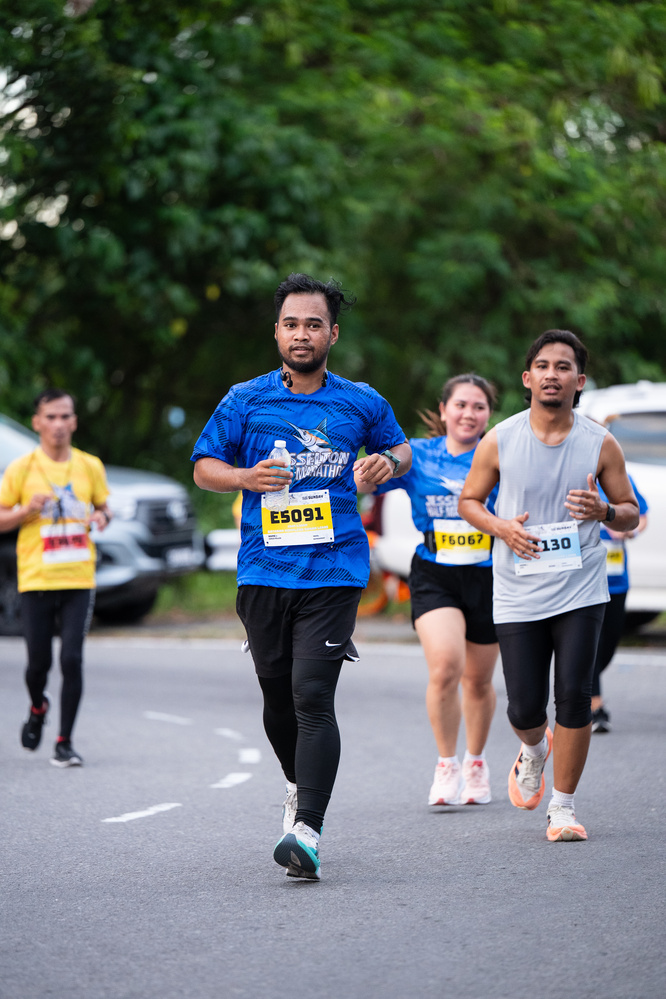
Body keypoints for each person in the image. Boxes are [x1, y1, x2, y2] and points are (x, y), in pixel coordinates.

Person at [191, 272, 411, 880]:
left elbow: (401, 450)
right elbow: (204, 466)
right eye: (292, 324)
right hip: (264, 570)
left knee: (313, 694)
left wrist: (386, 462)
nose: (302, 334)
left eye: (314, 324)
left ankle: (307, 829)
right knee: (277, 695)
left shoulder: (361, 401)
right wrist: (244, 477)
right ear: (277, 332)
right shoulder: (245, 400)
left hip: (336, 570)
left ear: (332, 334)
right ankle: (296, 782)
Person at [459, 330, 639, 842]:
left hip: (581, 586)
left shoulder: (600, 442)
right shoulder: (501, 438)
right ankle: (534, 749)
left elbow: (629, 512)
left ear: (579, 381)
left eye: (563, 367)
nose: (552, 374)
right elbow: (470, 501)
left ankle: (563, 808)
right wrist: (502, 528)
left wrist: (605, 510)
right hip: (517, 588)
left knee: (575, 696)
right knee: (523, 708)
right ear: (528, 378)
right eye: (542, 366)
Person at [355, 374, 499, 808]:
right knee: (446, 668)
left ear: (489, 414)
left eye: (478, 407)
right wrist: (363, 471)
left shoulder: (500, 454)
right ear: (443, 410)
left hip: (489, 575)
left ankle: (476, 762)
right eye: (461, 405)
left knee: (478, 680)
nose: (469, 414)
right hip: (435, 573)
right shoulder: (417, 454)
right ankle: (446, 764)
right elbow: (368, 483)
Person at [0, 389, 112, 766]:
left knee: (72, 659)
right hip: (37, 579)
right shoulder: (22, 468)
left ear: (74, 421)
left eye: (65, 416)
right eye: (51, 417)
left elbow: (104, 507)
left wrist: (101, 517)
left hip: (78, 577)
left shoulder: (89, 466)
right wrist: (24, 511)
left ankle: (64, 742)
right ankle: (38, 706)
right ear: (37, 422)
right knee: (38, 665)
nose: (58, 424)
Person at [592, 471, 648, 732]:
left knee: (609, 644)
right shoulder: (571, 474)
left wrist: (629, 531)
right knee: (590, 643)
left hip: (616, 580)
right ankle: (595, 707)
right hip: (584, 582)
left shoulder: (619, 476)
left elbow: (641, 516)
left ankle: (578, 684)